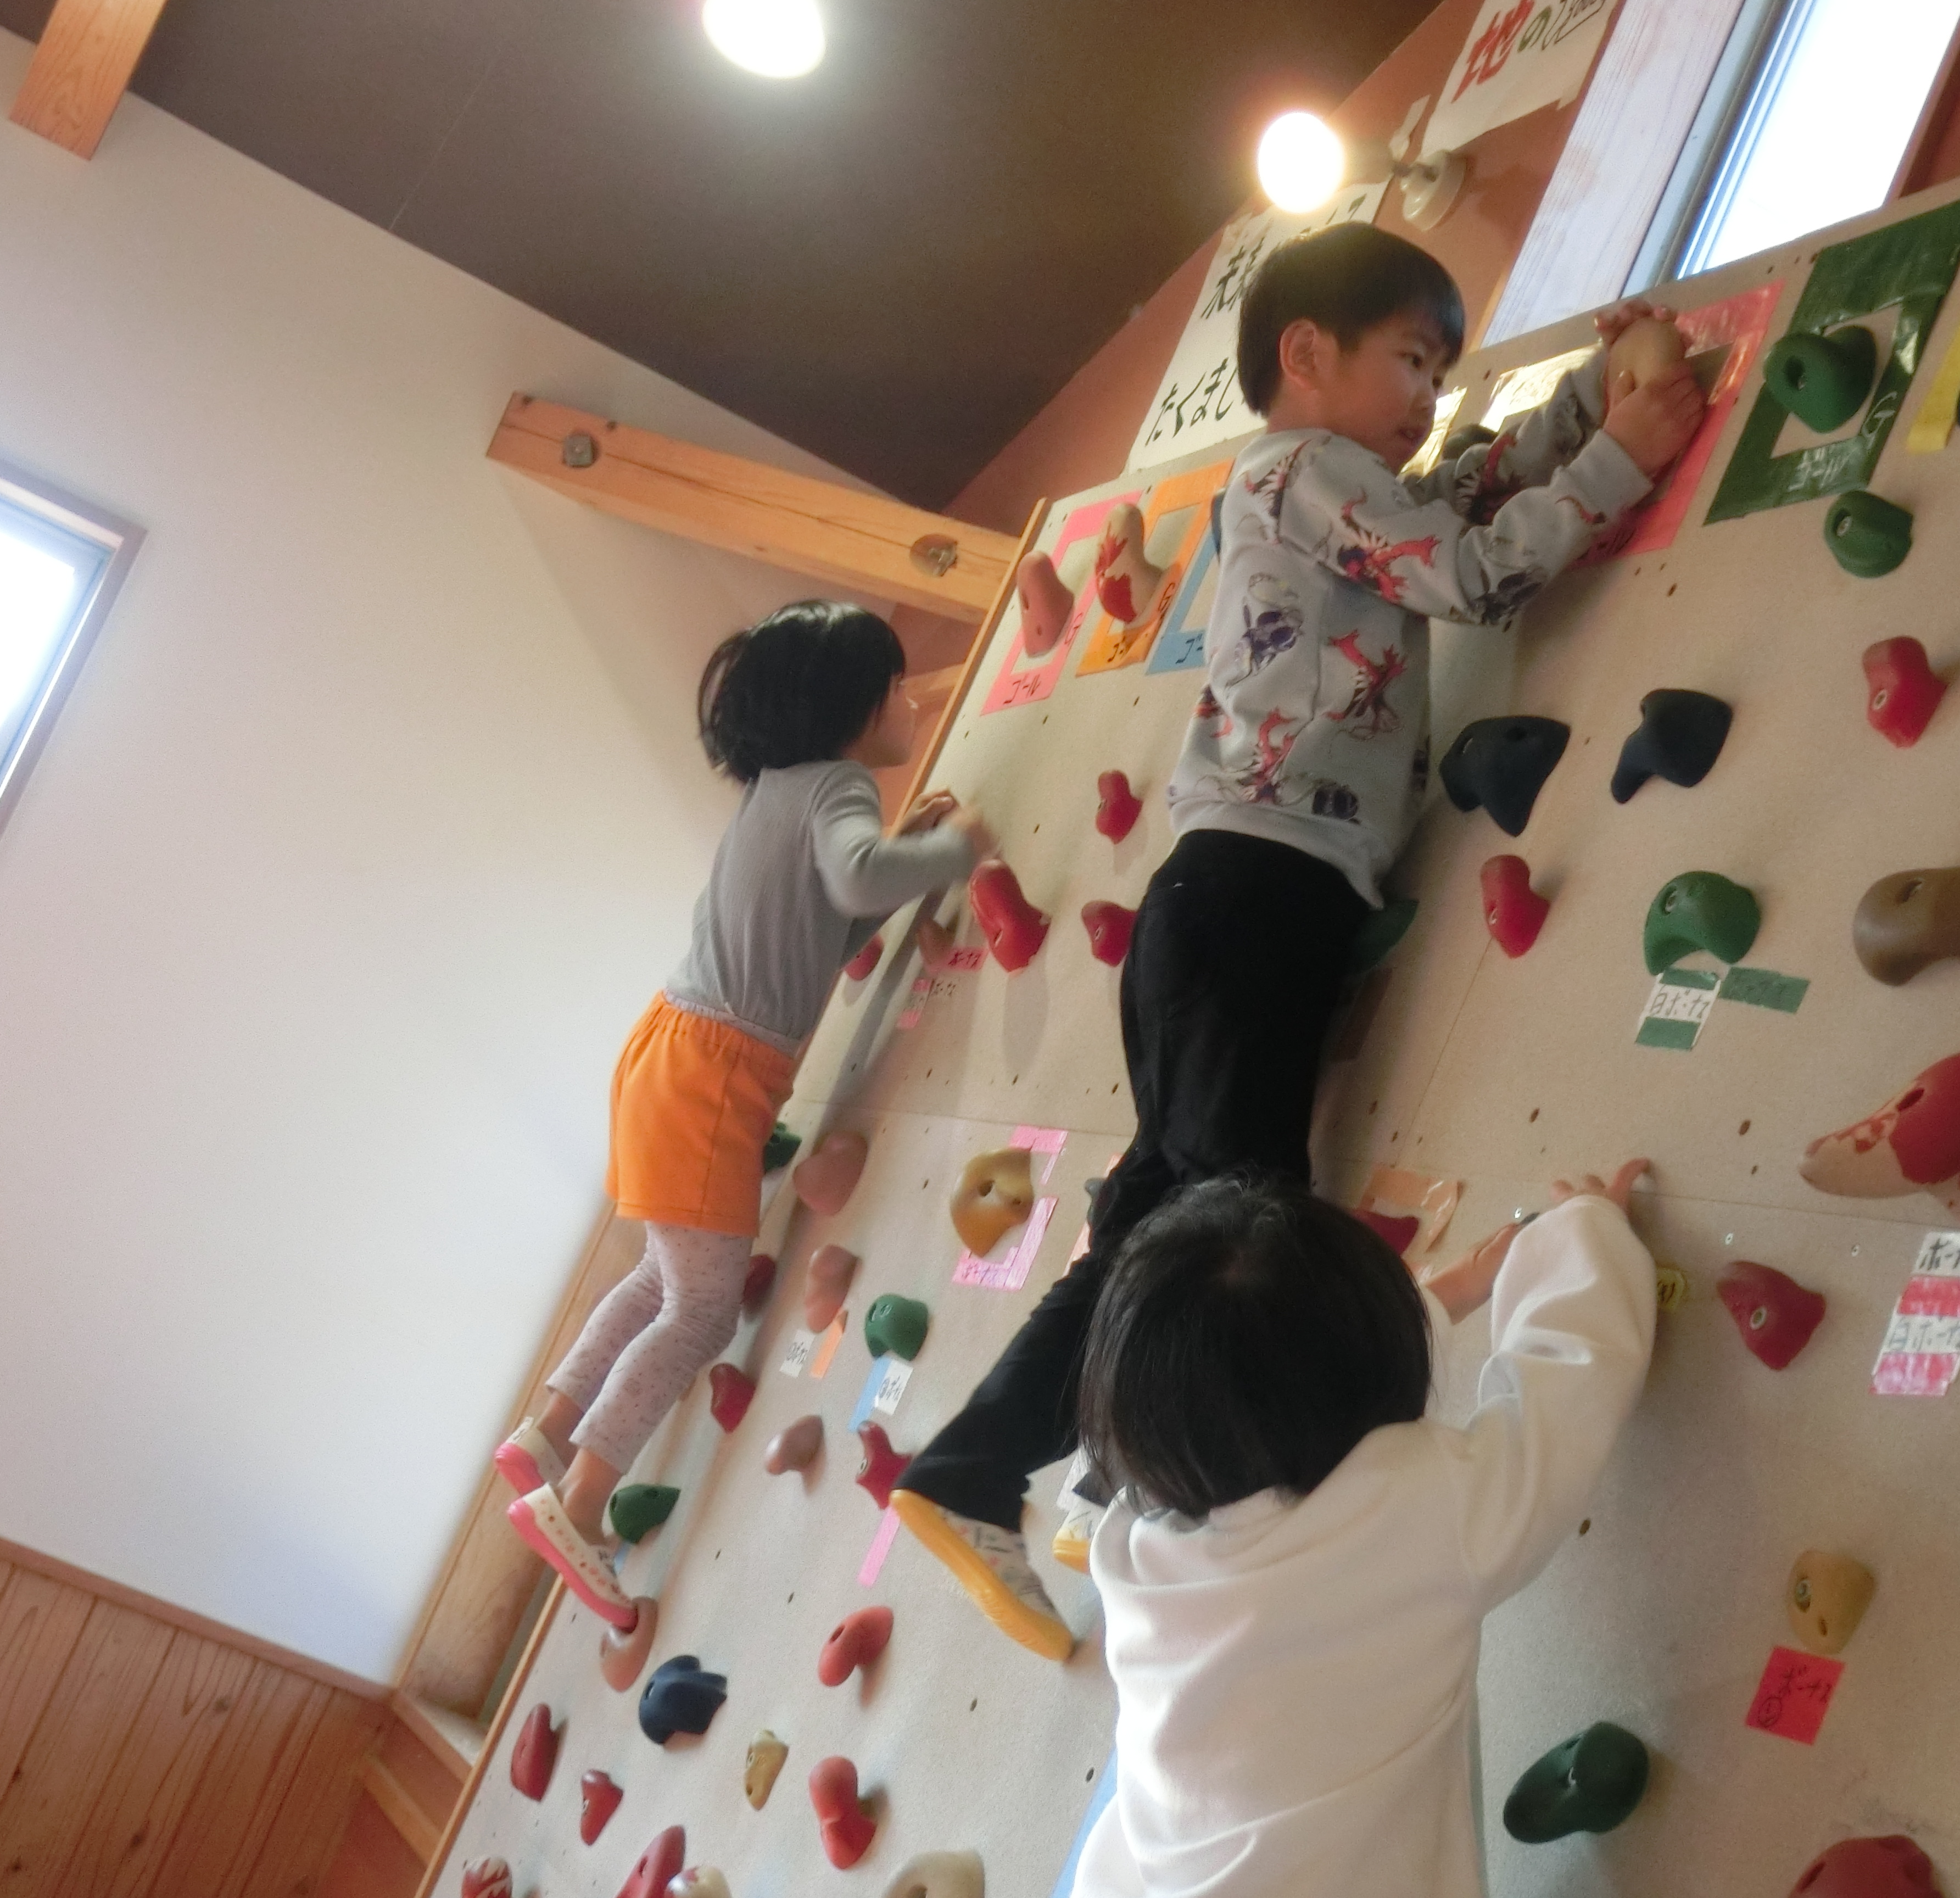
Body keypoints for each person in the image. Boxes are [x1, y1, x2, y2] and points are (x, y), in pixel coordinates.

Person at [888, 220, 1706, 1660]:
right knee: (1231, 1235)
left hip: (1229, 901)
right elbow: (1475, 572)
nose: (1430, 397)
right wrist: (1624, 458)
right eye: (1412, 361)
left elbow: (1464, 493)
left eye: (1442, 372)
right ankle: (1087, 1470)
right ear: (1307, 355)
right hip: (1257, 894)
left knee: (1170, 1216)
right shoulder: (1302, 472)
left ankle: (1010, 1469)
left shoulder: (1336, 485)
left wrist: (1590, 396)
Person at [495, 600, 991, 1628]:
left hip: (669, 1052)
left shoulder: (777, 791)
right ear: (855, 708)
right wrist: (955, 850)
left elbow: (834, 920)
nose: (909, 702)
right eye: (897, 688)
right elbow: (856, 872)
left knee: (661, 1277)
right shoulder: (838, 785)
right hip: (715, 1076)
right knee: (701, 1312)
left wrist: (912, 849)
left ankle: (545, 1434)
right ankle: (578, 1504)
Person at [1068, 1162, 1660, 1898]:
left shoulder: (1132, 1552)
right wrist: (1587, 1235)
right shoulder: (1424, 1512)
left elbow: (1257, 1388)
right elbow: (1568, 1386)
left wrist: (1452, 1292)